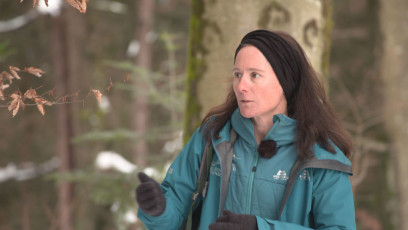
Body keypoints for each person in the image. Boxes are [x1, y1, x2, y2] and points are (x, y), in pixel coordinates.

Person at [135, 30, 356, 230]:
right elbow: (174, 211)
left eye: (254, 75)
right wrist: (158, 209)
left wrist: (261, 228)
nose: (241, 86)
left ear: (285, 81)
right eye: (238, 74)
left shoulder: (321, 157)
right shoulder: (212, 137)